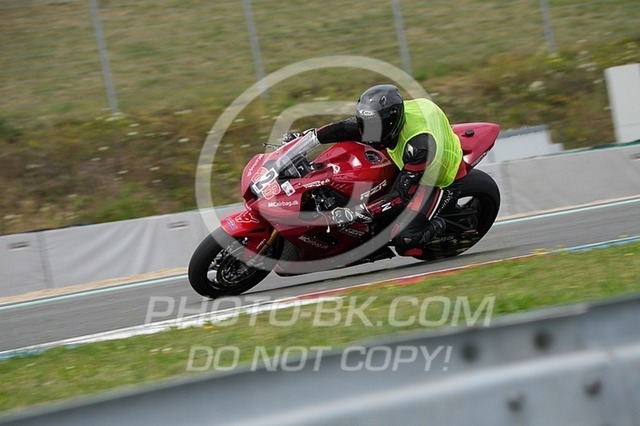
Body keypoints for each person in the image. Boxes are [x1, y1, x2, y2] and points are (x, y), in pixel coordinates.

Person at [283, 84, 465, 258]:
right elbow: (343, 128)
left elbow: (400, 196)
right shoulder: (383, 120)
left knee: (406, 241)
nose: (368, 132)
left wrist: (357, 212)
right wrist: (304, 140)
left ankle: (438, 224)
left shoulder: (419, 148)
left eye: (374, 126)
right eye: (366, 124)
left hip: (440, 181)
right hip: (414, 157)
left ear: (390, 123)